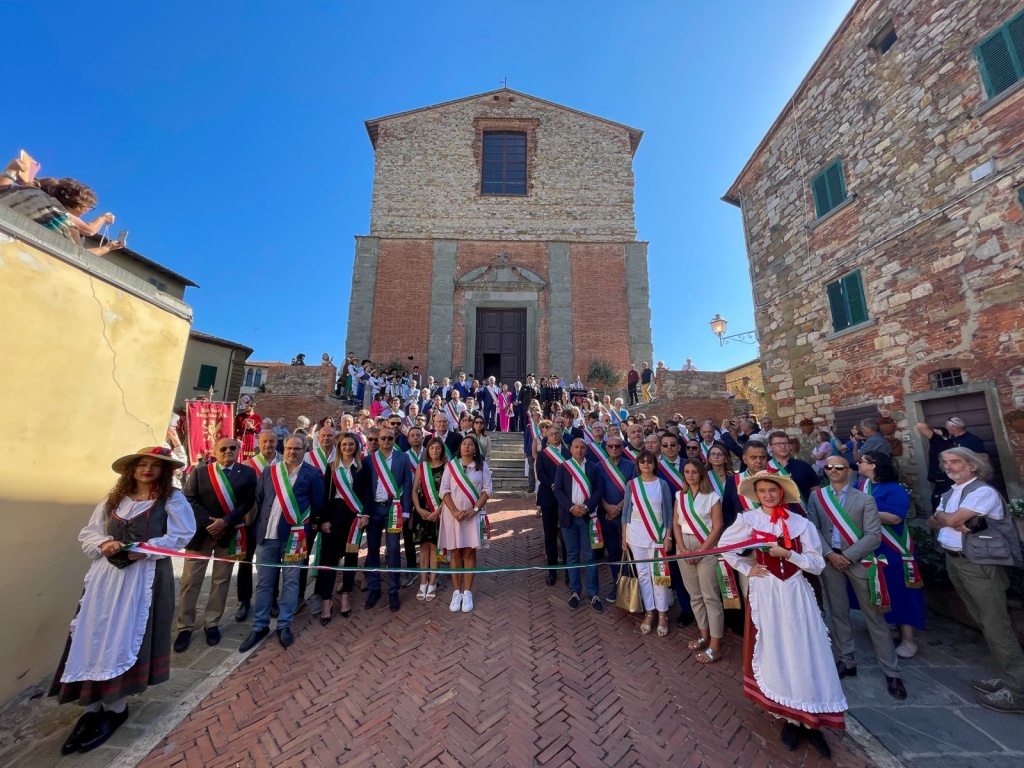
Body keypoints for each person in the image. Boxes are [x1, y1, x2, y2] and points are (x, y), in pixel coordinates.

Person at [50, 447, 195, 755]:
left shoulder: (172, 499)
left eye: (155, 466)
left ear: (165, 471)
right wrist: (105, 542)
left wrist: (143, 547)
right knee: (95, 634)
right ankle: (91, 710)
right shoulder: (114, 500)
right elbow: (89, 533)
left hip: (143, 579)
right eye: (141, 464)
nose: (147, 469)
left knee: (124, 635)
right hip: (106, 580)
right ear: (132, 469)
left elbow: (182, 534)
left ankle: (116, 708)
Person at [718, 472, 846, 757]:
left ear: (782, 493)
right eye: (762, 491)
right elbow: (726, 548)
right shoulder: (749, 520)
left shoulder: (801, 524)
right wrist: (748, 568)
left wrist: (789, 556)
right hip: (767, 593)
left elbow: (816, 565)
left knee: (806, 651)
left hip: (795, 593)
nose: (767, 495)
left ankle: (812, 722)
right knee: (778, 650)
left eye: (772, 490)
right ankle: (790, 719)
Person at [927, 447, 1024, 714]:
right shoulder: (950, 492)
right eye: (945, 462)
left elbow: (948, 518)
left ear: (973, 466)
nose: (949, 466)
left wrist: (947, 519)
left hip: (978, 565)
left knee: (996, 625)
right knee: (984, 622)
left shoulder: (983, 491)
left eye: (956, 461)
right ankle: (1008, 678)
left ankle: (1018, 691)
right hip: (955, 561)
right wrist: (949, 521)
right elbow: (932, 520)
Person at [806, 456, 907, 700]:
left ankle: (891, 671)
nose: (833, 470)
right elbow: (813, 528)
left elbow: (874, 535)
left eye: (838, 467)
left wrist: (847, 556)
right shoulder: (817, 497)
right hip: (831, 562)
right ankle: (846, 659)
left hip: (859, 561)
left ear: (848, 471)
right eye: (828, 467)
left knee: (874, 617)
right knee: (838, 613)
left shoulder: (865, 499)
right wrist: (829, 554)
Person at [240, 435, 325, 651]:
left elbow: (317, 504)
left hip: (294, 538)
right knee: (264, 583)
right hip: (266, 536)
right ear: (283, 448)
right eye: (288, 448)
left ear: (305, 450)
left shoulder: (313, 474)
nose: (292, 452)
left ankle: (284, 624)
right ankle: (259, 626)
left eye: (297, 448)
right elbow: (261, 499)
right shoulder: (270, 472)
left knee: (291, 581)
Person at [173, 438, 258, 653]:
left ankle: (211, 623)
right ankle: (185, 627)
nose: (228, 451)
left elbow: (247, 502)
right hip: (202, 534)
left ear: (238, 450)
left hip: (228, 534)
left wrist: (225, 522)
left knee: (221, 580)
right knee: (191, 581)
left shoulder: (247, 474)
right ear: (214, 451)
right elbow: (189, 499)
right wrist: (211, 523)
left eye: (232, 448)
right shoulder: (200, 473)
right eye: (223, 448)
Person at [855, 452, 924, 659]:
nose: (858, 463)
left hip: (893, 546)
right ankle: (888, 625)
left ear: (873, 465)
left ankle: (908, 638)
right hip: (870, 546)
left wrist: (863, 510)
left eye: (862, 461)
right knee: (877, 586)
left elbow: (895, 517)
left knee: (900, 589)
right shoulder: (861, 485)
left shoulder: (895, 489)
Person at [673, 459, 728, 663]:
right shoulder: (680, 495)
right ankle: (704, 634)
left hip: (706, 545)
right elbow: (676, 523)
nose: (690, 475)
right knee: (694, 595)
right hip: (684, 545)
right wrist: (682, 547)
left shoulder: (712, 497)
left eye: (694, 472)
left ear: (701, 474)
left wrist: (700, 551)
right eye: (686, 472)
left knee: (710, 596)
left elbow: (717, 526)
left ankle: (715, 643)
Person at [315, 432, 371, 625]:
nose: (348, 447)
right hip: (335, 515)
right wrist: (324, 520)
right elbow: (326, 497)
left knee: (351, 555)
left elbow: (367, 494)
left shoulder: (362, 467)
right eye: (344, 444)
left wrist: (365, 515)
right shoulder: (332, 468)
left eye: (351, 444)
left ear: (356, 446)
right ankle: (326, 599)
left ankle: (346, 594)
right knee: (329, 557)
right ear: (339, 447)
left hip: (354, 517)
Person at [621, 450, 674, 636]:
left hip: (658, 537)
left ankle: (662, 614)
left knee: (659, 577)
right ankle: (649, 612)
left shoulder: (663, 484)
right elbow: (626, 511)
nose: (646, 464)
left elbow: (668, 510)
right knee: (643, 575)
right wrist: (624, 538)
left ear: (654, 464)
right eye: (642, 461)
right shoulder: (632, 485)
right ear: (638, 464)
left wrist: (668, 536)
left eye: (649, 461)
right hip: (636, 536)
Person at [363, 426, 414, 612]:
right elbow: (365, 488)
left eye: (389, 438)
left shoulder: (403, 458)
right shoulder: (369, 461)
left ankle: (393, 591)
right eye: (382, 438)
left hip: (394, 509)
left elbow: (407, 484)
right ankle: (374, 588)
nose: (385, 441)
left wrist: (406, 512)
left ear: (395, 439)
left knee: (393, 550)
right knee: (373, 550)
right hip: (374, 509)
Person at [440, 435, 493, 613]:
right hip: (453, 515)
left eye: (471, 444)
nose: (467, 446)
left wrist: (475, 510)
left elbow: (487, 489)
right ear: (460, 447)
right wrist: (454, 511)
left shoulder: (482, 466)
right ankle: (457, 592)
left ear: (475, 449)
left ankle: (468, 592)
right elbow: (444, 490)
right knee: (455, 552)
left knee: (469, 552)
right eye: (464, 444)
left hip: (472, 516)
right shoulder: (451, 466)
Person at [554, 438, 604, 612]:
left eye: (583, 447)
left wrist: (588, 507)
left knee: (590, 556)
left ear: (586, 450)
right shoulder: (563, 467)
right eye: (576, 447)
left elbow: (599, 490)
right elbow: (558, 490)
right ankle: (575, 591)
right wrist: (570, 507)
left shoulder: (593, 468)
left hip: (588, 517)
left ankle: (593, 592)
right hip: (569, 517)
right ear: (571, 449)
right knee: (572, 555)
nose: (579, 450)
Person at [235, 430, 280, 622]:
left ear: (277, 442)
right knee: (245, 561)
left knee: (272, 561)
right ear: (258, 444)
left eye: (271, 441)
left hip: (274, 520)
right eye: (264, 442)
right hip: (251, 520)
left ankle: (273, 598)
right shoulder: (248, 464)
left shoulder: (283, 463)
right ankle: (244, 600)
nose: (268, 445)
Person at [594, 433, 637, 602]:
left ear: (622, 448)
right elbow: (597, 490)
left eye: (617, 446)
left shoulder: (631, 466)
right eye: (610, 446)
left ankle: (631, 585)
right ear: (606, 448)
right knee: (613, 552)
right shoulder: (599, 466)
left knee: (628, 551)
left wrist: (618, 507)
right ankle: (617, 584)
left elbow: (633, 489)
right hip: (607, 516)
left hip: (626, 515)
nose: (613, 449)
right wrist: (607, 507)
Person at [412, 437, 446, 601]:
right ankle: (422, 581)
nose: (434, 451)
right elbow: (414, 490)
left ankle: (433, 581)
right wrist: (418, 508)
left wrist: (439, 511)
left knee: (434, 547)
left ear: (442, 450)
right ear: (428, 450)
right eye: (432, 448)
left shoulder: (447, 467)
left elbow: (448, 493)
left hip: (439, 512)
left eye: (438, 448)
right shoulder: (422, 467)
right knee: (423, 547)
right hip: (422, 513)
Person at [536, 421, 570, 584]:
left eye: (557, 433)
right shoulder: (543, 454)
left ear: (561, 435)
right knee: (550, 535)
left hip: (565, 499)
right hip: (548, 498)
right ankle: (552, 571)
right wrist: (553, 484)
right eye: (552, 434)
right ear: (547, 438)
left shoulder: (568, 453)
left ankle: (569, 572)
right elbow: (541, 474)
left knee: (566, 535)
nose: (555, 436)